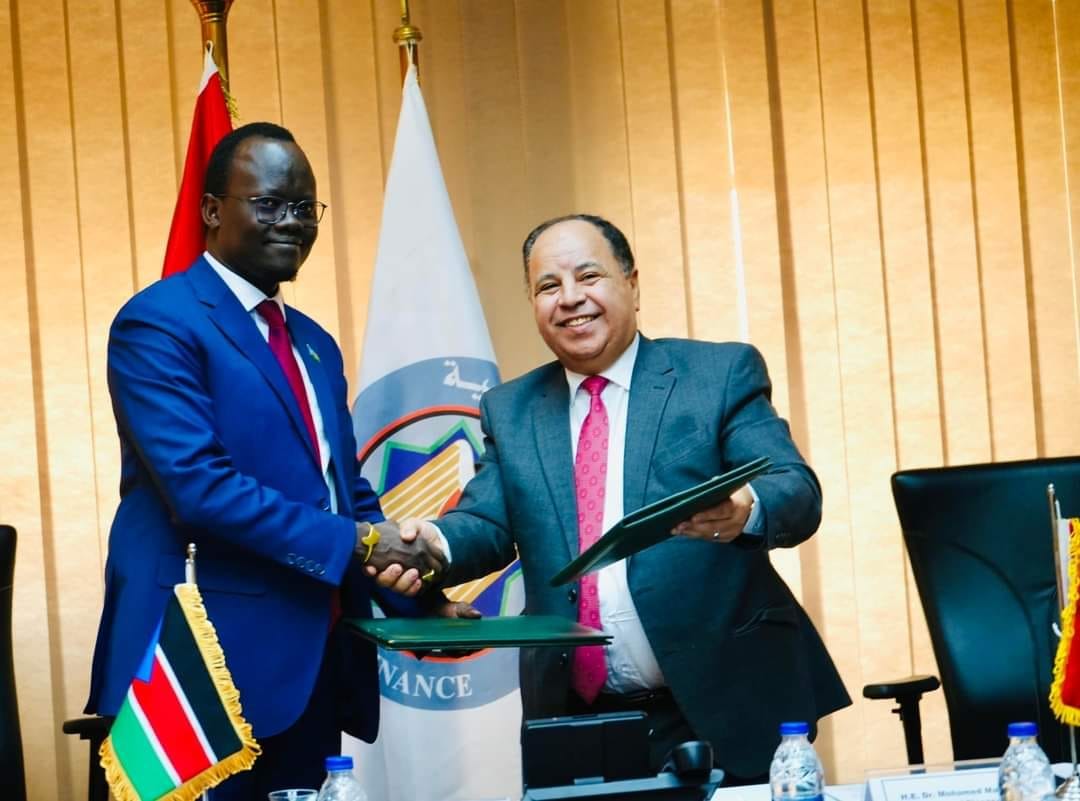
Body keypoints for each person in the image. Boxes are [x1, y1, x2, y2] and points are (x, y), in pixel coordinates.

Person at [375, 213, 851, 782]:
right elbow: (487, 522)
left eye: (588, 276)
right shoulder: (512, 409)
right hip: (579, 717)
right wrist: (432, 542)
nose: (570, 298)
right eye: (548, 286)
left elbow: (795, 489)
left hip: (728, 698)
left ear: (632, 284)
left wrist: (746, 507)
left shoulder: (717, 374)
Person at [84, 122, 450, 798]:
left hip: (308, 671)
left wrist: (418, 596)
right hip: (192, 676)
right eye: (270, 203)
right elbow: (199, 487)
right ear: (212, 210)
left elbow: (342, 494)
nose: (292, 222)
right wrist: (363, 542)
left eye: (305, 207)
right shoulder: (159, 323)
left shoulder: (314, 344)